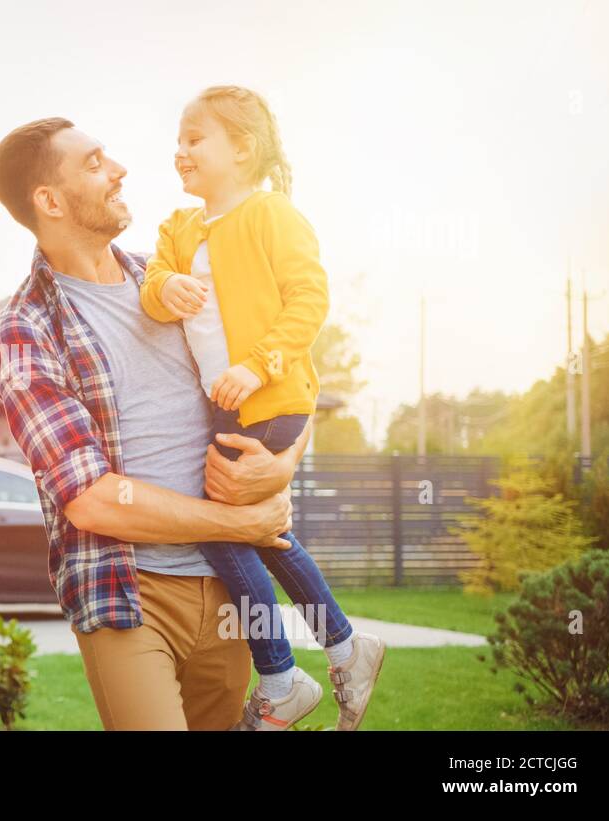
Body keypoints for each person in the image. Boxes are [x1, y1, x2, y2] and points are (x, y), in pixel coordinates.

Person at [0, 116, 300, 730]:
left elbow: (285, 381)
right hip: (129, 592)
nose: (120, 168)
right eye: (94, 162)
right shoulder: (24, 330)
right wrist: (240, 519)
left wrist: (281, 466)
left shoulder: (177, 283)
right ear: (49, 200)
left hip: (233, 588)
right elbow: (91, 500)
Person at [139, 86, 384, 730]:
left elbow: (309, 298)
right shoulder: (180, 227)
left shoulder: (272, 214)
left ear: (242, 149)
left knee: (223, 529)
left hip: (273, 399)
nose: (181, 151)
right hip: (230, 410)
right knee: (259, 533)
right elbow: (150, 287)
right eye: (179, 140)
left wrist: (258, 364)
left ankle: (281, 676)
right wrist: (171, 286)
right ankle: (342, 648)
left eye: (196, 139)